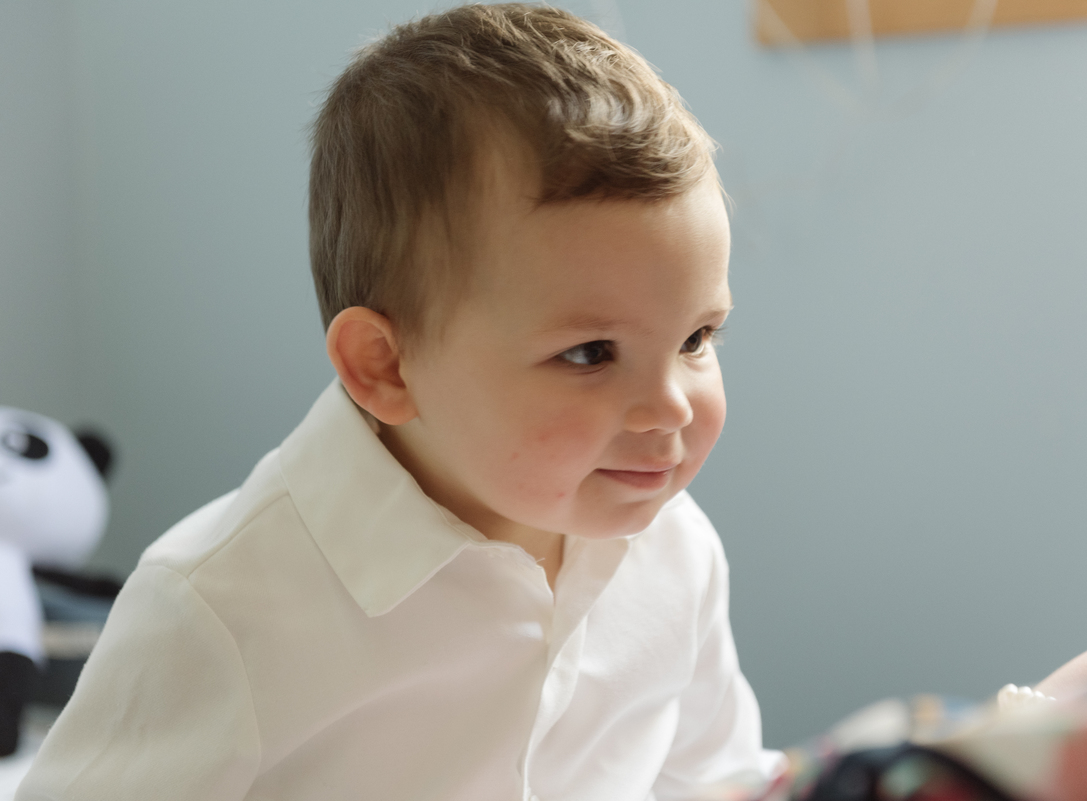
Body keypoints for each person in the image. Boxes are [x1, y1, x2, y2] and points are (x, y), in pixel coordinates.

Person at [17, 5, 783, 799]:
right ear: (385, 366)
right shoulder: (220, 609)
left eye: (697, 338)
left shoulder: (675, 549)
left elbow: (714, 778)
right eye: (590, 353)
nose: (670, 408)